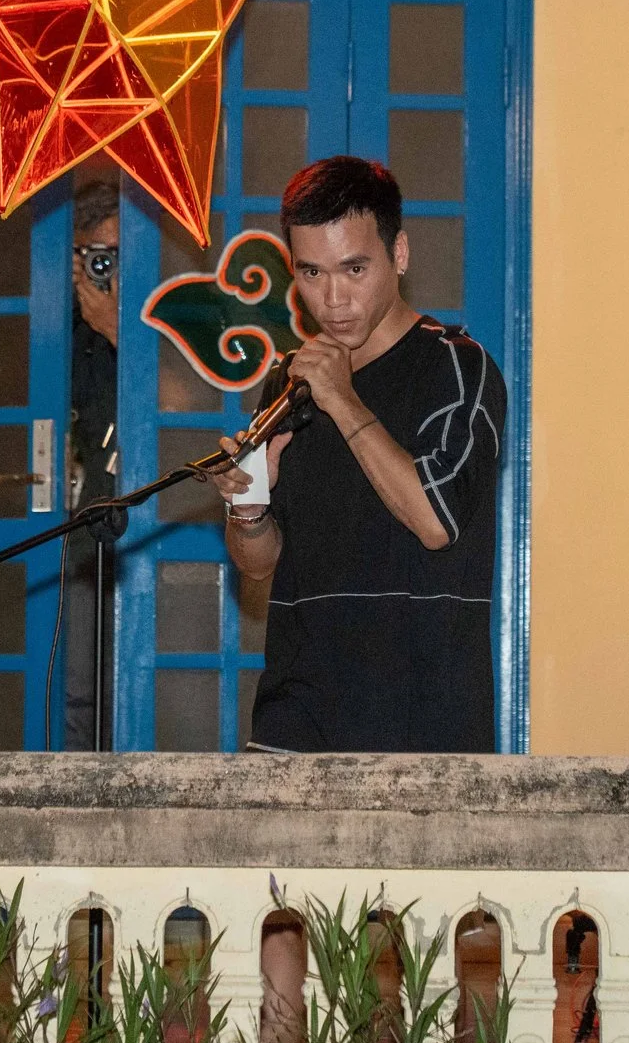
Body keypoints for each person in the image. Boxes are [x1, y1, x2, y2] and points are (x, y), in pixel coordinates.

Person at [210, 156, 506, 753]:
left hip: (419, 725)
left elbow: (436, 520)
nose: (333, 298)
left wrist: (342, 401)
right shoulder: (289, 382)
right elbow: (261, 565)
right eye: (312, 272)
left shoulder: (456, 365)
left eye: (354, 268)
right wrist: (248, 502)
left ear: (399, 254)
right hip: (295, 719)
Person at [60, 179, 123, 749]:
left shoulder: (157, 324)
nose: (104, 270)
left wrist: (117, 325)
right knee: (79, 686)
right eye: (92, 257)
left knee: (129, 686)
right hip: (82, 526)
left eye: (114, 257)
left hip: (150, 523)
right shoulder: (60, 328)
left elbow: (181, 400)